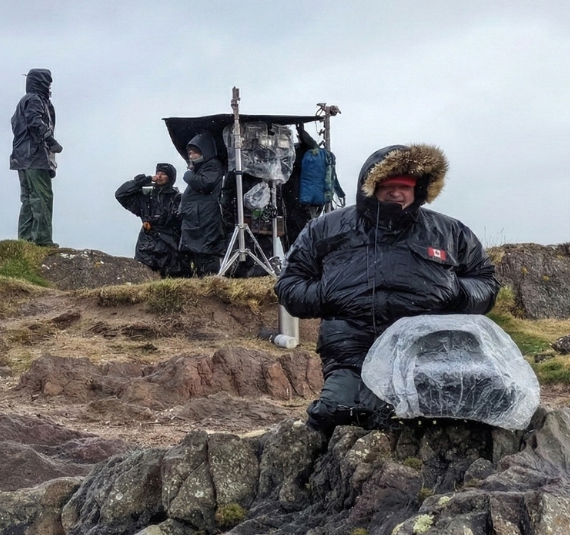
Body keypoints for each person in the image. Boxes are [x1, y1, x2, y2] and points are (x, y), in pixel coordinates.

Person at [274, 143, 499, 437]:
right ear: (371, 186)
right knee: (336, 414)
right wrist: (327, 294)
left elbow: (486, 281)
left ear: (418, 189)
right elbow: (289, 284)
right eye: (388, 185)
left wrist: (457, 293)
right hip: (354, 350)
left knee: (456, 413)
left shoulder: (449, 232)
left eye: (405, 186)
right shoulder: (325, 229)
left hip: (430, 349)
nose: (396, 193)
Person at [10, 68, 61, 247]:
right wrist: (50, 140)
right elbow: (34, 121)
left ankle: (25, 241)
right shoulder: (35, 100)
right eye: (48, 83)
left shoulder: (25, 101)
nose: (49, 87)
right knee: (42, 197)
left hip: (21, 158)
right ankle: (42, 239)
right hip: (35, 157)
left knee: (29, 199)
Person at [115, 163, 186, 278]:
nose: (159, 176)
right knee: (143, 277)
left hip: (170, 244)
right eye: (157, 173)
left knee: (172, 278)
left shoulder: (177, 198)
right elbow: (121, 194)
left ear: (170, 177)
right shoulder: (146, 197)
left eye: (163, 174)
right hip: (146, 244)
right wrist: (143, 181)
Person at [178, 132, 226, 276]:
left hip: (205, 220)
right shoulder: (201, 168)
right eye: (190, 152)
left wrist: (189, 176)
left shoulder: (213, 166)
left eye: (195, 151)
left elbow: (205, 184)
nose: (191, 155)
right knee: (198, 256)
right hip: (196, 219)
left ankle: (210, 281)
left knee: (207, 254)